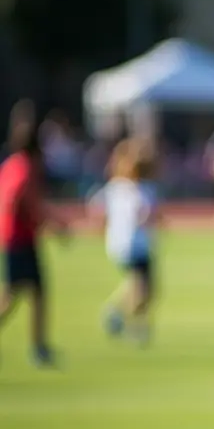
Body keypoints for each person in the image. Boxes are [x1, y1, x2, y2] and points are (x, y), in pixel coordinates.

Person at [0, 121, 70, 368]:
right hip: (20, 239)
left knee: (26, 293)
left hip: (13, 237)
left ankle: (39, 346)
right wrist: (52, 225)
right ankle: (39, 348)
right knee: (16, 295)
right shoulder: (26, 169)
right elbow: (24, 202)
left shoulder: (11, 164)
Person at [91, 139, 160, 346]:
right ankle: (126, 320)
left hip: (119, 245)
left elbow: (97, 208)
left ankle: (126, 318)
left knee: (138, 286)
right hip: (135, 246)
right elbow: (145, 216)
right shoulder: (141, 190)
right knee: (144, 288)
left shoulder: (115, 187)